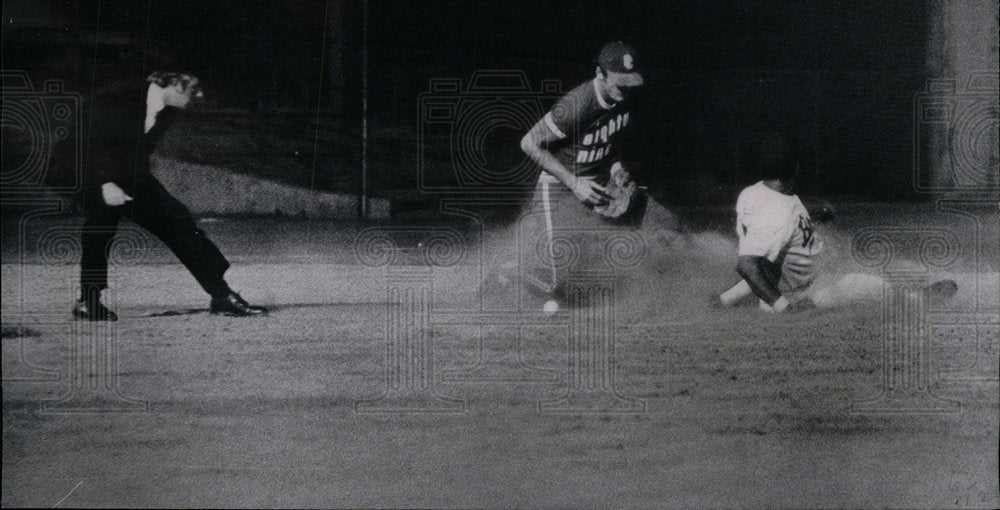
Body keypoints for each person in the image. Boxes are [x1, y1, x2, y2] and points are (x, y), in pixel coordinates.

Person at [70, 71, 266, 320]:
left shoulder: (169, 110)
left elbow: (137, 152)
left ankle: (221, 294)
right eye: (193, 89)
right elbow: (94, 144)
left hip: (127, 173)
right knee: (101, 225)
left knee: (177, 220)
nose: (200, 95)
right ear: (172, 83)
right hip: (86, 170)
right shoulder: (122, 101)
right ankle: (88, 301)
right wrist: (106, 183)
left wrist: (135, 186)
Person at [718, 132, 956, 312]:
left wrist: (727, 298)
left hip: (807, 278)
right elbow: (748, 265)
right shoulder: (778, 213)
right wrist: (784, 308)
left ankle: (726, 299)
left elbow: (769, 243)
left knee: (866, 268)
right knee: (857, 283)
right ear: (795, 168)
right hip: (802, 295)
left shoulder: (753, 193)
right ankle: (918, 301)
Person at [515, 41, 674, 297]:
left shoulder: (626, 97)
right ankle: (508, 274)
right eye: (620, 80)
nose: (627, 86)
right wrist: (575, 184)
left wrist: (616, 168)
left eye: (631, 79)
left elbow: (609, 138)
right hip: (559, 188)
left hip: (599, 181)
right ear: (600, 73)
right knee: (563, 287)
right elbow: (529, 143)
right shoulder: (577, 104)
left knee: (669, 227)